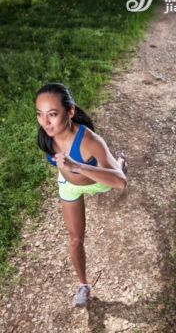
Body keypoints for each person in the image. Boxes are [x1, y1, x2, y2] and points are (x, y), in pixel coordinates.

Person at [35, 83, 127, 308]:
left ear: (71, 112)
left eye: (53, 115)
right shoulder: (46, 137)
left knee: (118, 172)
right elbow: (62, 166)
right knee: (75, 239)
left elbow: (120, 184)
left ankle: (120, 162)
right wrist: (69, 172)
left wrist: (78, 165)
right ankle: (84, 286)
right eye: (40, 115)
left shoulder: (90, 141)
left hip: (98, 182)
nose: (45, 123)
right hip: (69, 184)